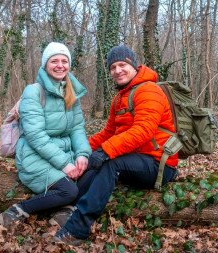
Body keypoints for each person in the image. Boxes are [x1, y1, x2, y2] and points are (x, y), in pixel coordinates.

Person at [54, 45, 178, 245]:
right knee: (97, 160)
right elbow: (108, 133)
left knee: (111, 162)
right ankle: (70, 207)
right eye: (113, 67)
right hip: (136, 160)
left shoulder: (149, 90)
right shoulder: (119, 98)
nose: (117, 70)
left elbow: (143, 130)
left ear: (134, 65)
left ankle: (77, 229)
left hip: (159, 165)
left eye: (122, 65)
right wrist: (81, 150)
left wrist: (106, 150)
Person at [0, 42, 92, 227]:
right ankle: (19, 210)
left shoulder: (71, 92)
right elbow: (36, 136)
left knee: (94, 169)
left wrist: (82, 154)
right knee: (69, 191)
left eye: (64, 61)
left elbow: (77, 128)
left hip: (63, 154)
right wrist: (65, 164)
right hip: (34, 155)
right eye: (54, 61)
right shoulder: (33, 91)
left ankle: (64, 211)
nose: (60, 65)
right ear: (45, 65)